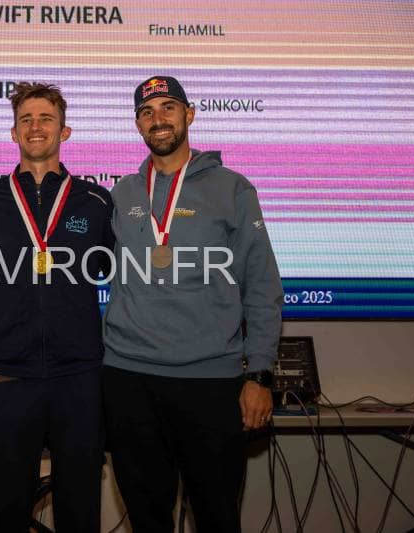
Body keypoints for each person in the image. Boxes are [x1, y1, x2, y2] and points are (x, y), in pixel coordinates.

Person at [102, 76, 283, 532]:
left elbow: (262, 285)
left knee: (218, 517)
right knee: (146, 520)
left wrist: (260, 374)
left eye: (168, 107)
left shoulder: (233, 188)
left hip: (211, 381)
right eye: (147, 112)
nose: (158, 119)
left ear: (189, 114)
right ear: (138, 125)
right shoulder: (123, 192)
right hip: (129, 380)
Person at [0, 83, 114, 532]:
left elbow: (123, 274)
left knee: (81, 511)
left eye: (46, 119)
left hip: (79, 376)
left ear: (65, 131)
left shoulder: (96, 201)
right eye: (26, 120)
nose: (36, 127)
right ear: (14, 133)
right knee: (4, 511)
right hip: (5, 374)